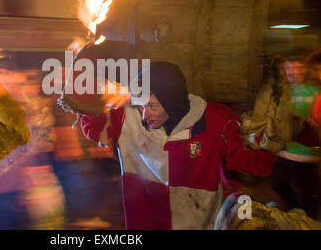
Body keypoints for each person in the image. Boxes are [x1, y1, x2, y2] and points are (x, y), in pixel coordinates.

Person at [78, 61, 277, 229]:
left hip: (200, 225)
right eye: (141, 105)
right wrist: (89, 91)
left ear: (173, 102)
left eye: (152, 106)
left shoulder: (216, 119)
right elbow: (92, 128)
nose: (145, 115)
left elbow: (255, 163)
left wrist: (274, 138)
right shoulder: (126, 116)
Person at [270, 56, 320, 219]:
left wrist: (312, 124)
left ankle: (307, 219)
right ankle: (298, 213)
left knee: (306, 193)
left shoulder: (313, 91)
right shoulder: (284, 91)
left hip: (306, 153)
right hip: (286, 150)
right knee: (278, 184)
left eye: (297, 68)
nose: (293, 72)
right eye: (289, 68)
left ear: (304, 71)